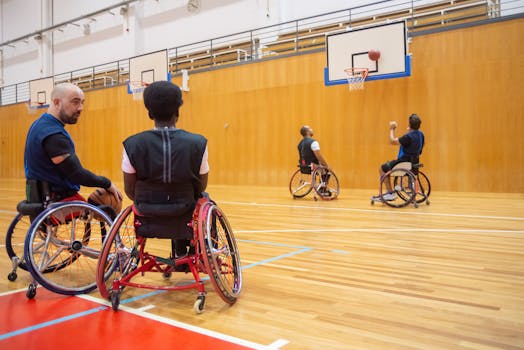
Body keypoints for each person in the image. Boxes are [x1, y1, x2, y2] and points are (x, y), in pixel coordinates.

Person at [121, 81, 209, 262]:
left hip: (146, 212)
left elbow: (130, 190)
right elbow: (200, 186)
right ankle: (196, 251)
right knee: (205, 198)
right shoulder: (198, 143)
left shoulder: (131, 144)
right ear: (178, 110)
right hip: (185, 209)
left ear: (149, 112)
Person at [24, 82, 122, 205]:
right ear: (57, 102)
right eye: (75, 102)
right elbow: (77, 174)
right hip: (57, 198)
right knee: (107, 207)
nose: (80, 108)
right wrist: (107, 183)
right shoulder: (53, 135)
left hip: (38, 194)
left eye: (82, 102)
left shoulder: (39, 124)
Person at [372, 113, 425, 202]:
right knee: (389, 164)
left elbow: (392, 141)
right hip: (414, 163)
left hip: (404, 163)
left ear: (409, 124)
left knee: (382, 168)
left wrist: (392, 129)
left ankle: (390, 193)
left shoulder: (408, 136)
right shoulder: (421, 135)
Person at [297, 125, 331, 196]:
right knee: (327, 170)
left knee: (322, 167)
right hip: (313, 166)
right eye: (310, 129)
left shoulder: (300, 144)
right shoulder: (313, 142)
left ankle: (322, 187)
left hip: (303, 167)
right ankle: (323, 189)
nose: (312, 130)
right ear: (308, 132)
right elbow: (319, 156)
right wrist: (327, 165)